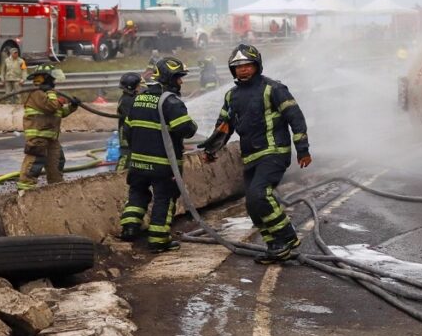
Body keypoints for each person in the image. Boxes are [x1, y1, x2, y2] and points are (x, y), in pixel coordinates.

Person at [197, 44, 311, 264]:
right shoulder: (231, 96)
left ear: (257, 65)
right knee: (252, 205)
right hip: (251, 157)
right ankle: (275, 247)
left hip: (274, 151)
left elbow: (296, 118)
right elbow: (224, 126)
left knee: (260, 195)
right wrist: (211, 150)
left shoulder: (273, 89)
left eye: (248, 65)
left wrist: (302, 149)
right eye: (238, 67)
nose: (243, 69)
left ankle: (287, 237)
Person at [118, 58, 197, 252]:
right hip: (164, 164)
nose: (181, 82)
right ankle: (158, 240)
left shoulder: (139, 98)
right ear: (170, 78)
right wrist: (193, 125)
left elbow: (127, 130)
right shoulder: (171, 102)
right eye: (178, 77)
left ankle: (129, 228)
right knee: (164, 198)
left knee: (137, 193)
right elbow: (186, 129)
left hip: (138, 162)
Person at [16, 65, 79, 191]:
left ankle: (56, 191)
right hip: (38, 137)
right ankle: (25, 192)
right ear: (46, 78)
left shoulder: (49, 95)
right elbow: (52, 107)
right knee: (34, 164)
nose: (54, 81)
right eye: (52, 79)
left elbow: (59, 112)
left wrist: (72, 106)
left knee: (57, 162)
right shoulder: (37, 94)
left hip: (51, 138)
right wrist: (51, 93)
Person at [115, 72, 143, 171]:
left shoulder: (130, 98)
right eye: (138, 85)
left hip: (131, 131)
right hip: (125, 133)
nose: (140, 87)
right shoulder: (126, 101)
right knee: (125, 155)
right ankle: (118, 175)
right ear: (131, 86)